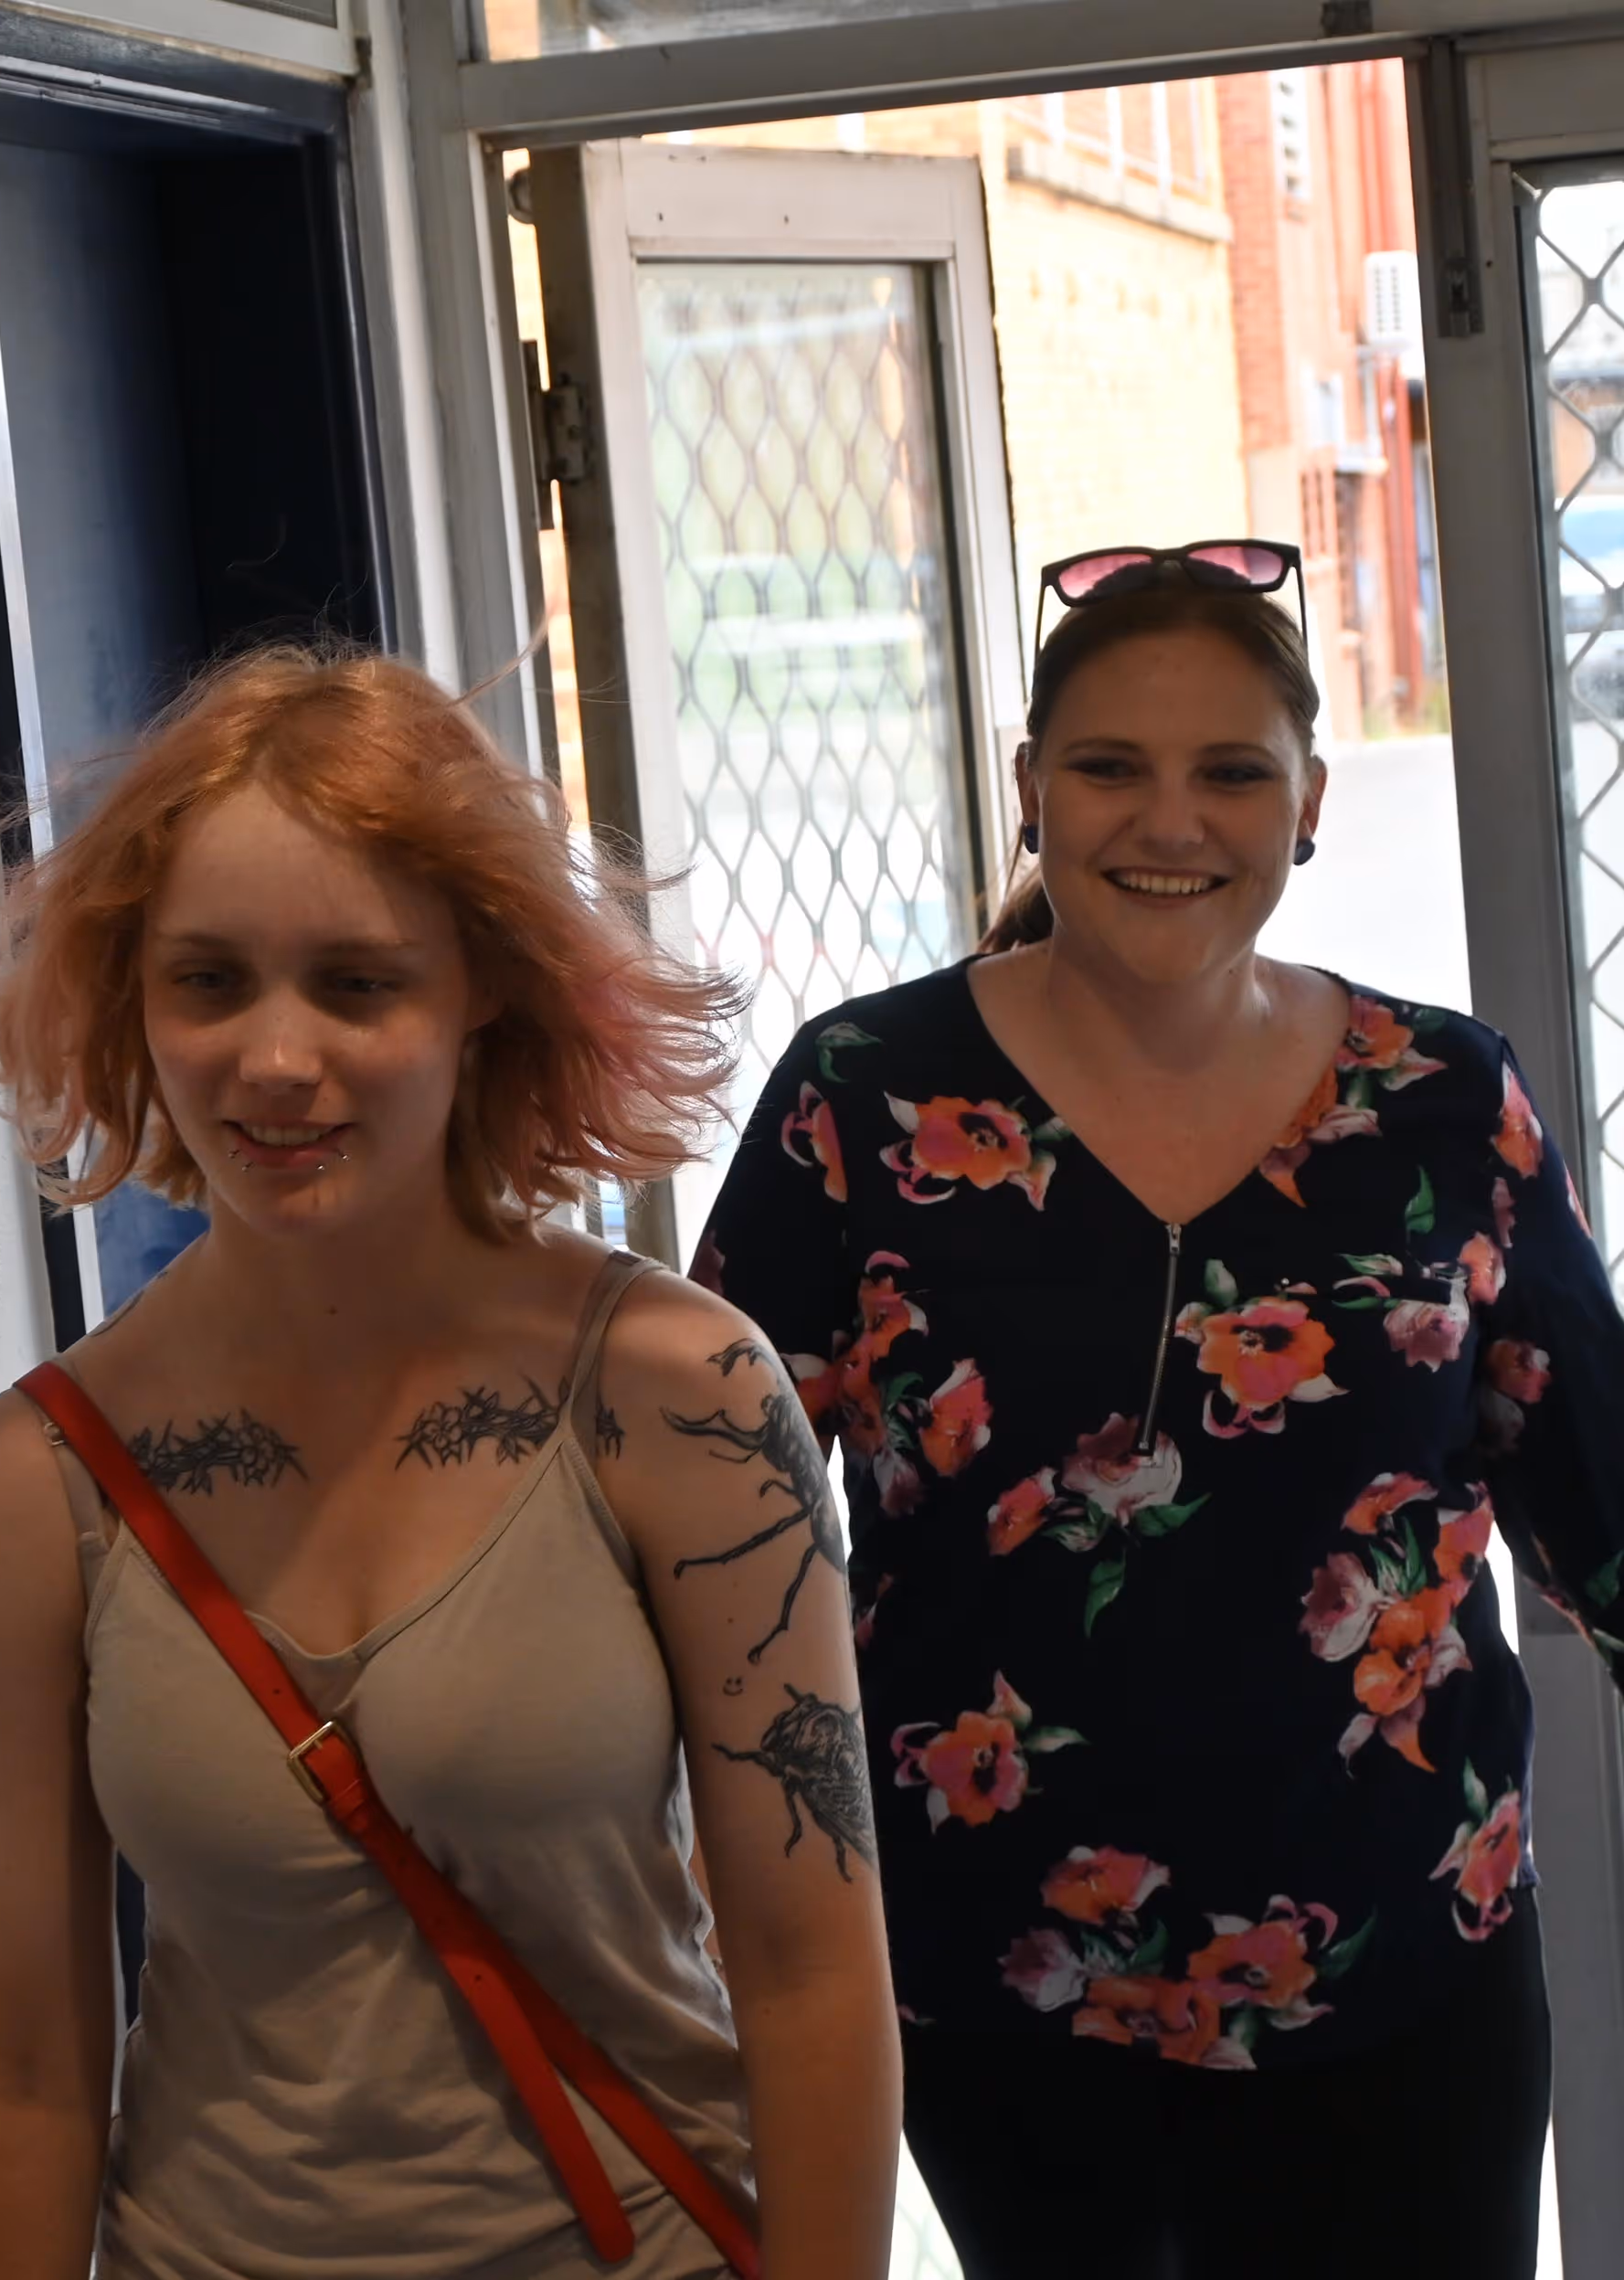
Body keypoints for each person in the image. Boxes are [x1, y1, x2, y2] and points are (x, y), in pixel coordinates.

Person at [694, 546, 1624, 2280]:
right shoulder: (862, 1097)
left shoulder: (1442, 1101)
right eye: (1110, 765)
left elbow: (1607, 1485)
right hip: (1001, 1979)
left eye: (1231, 771)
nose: (1167, 820)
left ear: (1313, 803)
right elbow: (694, 1520)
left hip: (1405, 1961)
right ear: (1031, 786)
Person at [0, 646, 900, 2280]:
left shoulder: (679, 1401)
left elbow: (811, 1975)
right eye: (209, 982)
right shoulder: (28, 1490)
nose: (275, 1060)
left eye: (357, 984)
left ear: (484, 988)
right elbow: (18, 2071)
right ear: (127, 998)